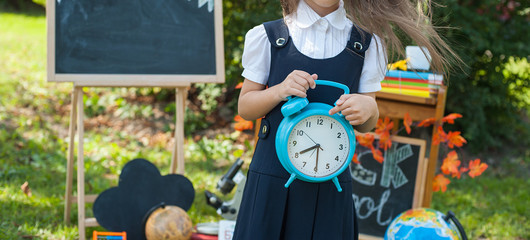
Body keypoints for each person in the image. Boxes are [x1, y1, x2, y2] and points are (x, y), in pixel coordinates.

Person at [233, 0, 458, 239]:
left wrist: (367, 108)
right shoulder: (268, 37)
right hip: (272, 181)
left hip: (331, 182)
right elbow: (246, 107)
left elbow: (368, 122)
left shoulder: (367, 44)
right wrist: (279, 90)